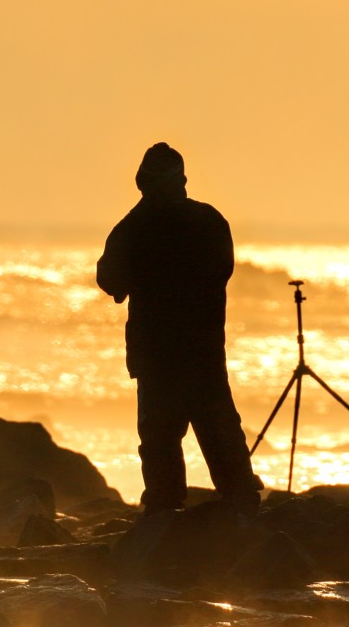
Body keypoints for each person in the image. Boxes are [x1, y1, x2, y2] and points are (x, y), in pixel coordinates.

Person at [97, 142, 261, 517]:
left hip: (156, 352)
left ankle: (165, 513)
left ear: (143, 184)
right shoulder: (209, 220)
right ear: (183, 180)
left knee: (160, 438)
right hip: (202, 348)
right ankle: (241, 507)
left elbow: (110, 280)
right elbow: (222, 271)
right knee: (218, 429)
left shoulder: (134, 227)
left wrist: (142, 214)